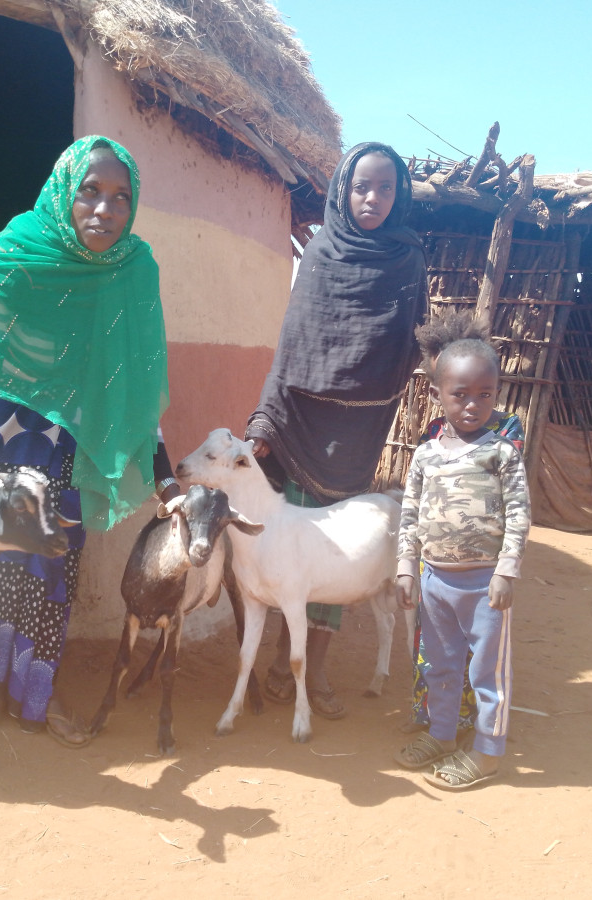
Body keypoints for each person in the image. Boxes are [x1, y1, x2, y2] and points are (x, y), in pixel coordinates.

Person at [0, 136, 180, 749]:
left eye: (121, 198)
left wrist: (168, 485)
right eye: (90, 191)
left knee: (52, 554)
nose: (105, 210)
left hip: (68, 435)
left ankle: (36, 686)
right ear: (66, 192)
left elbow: (132, 397)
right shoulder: (11, 262)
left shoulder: (130, 277)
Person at [246, 142, 428, 720]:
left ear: (398, 196)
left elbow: (408, 343)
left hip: (357, 429)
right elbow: (294, 345)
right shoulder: (321, 252)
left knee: (335, 553)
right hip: (300, 424)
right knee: (293, 550)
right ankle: (281, 658)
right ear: (342, 191)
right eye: (361, 187)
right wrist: (264, 423)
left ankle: (311, 669)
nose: (372, 198)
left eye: (385, 188)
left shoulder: (407, 262)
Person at [393, 312, 531, 790]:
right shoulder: (427, 454)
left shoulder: (502, 452)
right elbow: (410, 512)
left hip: (483, 582)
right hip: (434, 581)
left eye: (484, 395)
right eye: (460, 395)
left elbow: (519, 514)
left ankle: (488, 754)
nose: (473, 406)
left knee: (487, 672)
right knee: (441, 665)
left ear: (496, 394)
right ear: (437, 394)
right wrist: (407, 568)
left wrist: (506, 571)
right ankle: (443, 733)